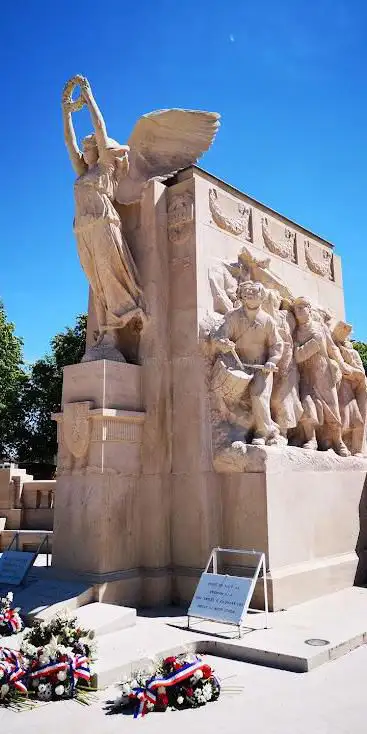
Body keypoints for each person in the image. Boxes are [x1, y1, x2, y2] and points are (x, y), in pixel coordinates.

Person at [62, 76, 147, 357]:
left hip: (104, 224)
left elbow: (100, 128)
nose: (84, 153)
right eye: (84, 150)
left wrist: (89, 98)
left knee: (108, 277)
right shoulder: (82, 172)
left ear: (98, 151)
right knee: (95, 282)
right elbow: (68, 142)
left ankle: (115, 332)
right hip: (83, 229)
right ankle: (104, 337)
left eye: (89, 149)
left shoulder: (106, 168)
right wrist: (66, 111)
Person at [212, 281, 283, 446]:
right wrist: (223, 343)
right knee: (234, 399)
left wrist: (272, 361)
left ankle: (263, 431)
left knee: (258, 395)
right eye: (246, 292)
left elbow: (276, 345)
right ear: (241, 295)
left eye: (254, 292)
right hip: (238, 365)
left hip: (261, 367)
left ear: (261, 296)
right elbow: (219, 336)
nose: (249, 294)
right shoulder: (233, 316)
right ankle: (240, 430)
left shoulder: (267, 321)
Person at [292, 297, 350, 456]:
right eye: (296, 308)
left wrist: (342, 363)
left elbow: (332, 348)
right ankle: (311, 439)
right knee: (307, 404)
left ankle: (338, 441)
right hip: (306, 373)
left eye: (303, 307)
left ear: (309, 309)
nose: (299, 311)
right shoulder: (296, 332)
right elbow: (297, 356)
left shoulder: (320, 327)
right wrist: (312, 345)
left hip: (323, 372)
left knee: (332, 408)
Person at [263, 290, 303, 442]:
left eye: (272, 300)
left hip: (287, 364)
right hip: (270, 363)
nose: (271, 302)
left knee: (282, 398)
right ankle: (268, 429)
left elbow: (287, 339)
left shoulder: (285, 316)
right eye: (268, 300)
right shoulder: (264, 317)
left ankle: (284, 433)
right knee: (270, 398)